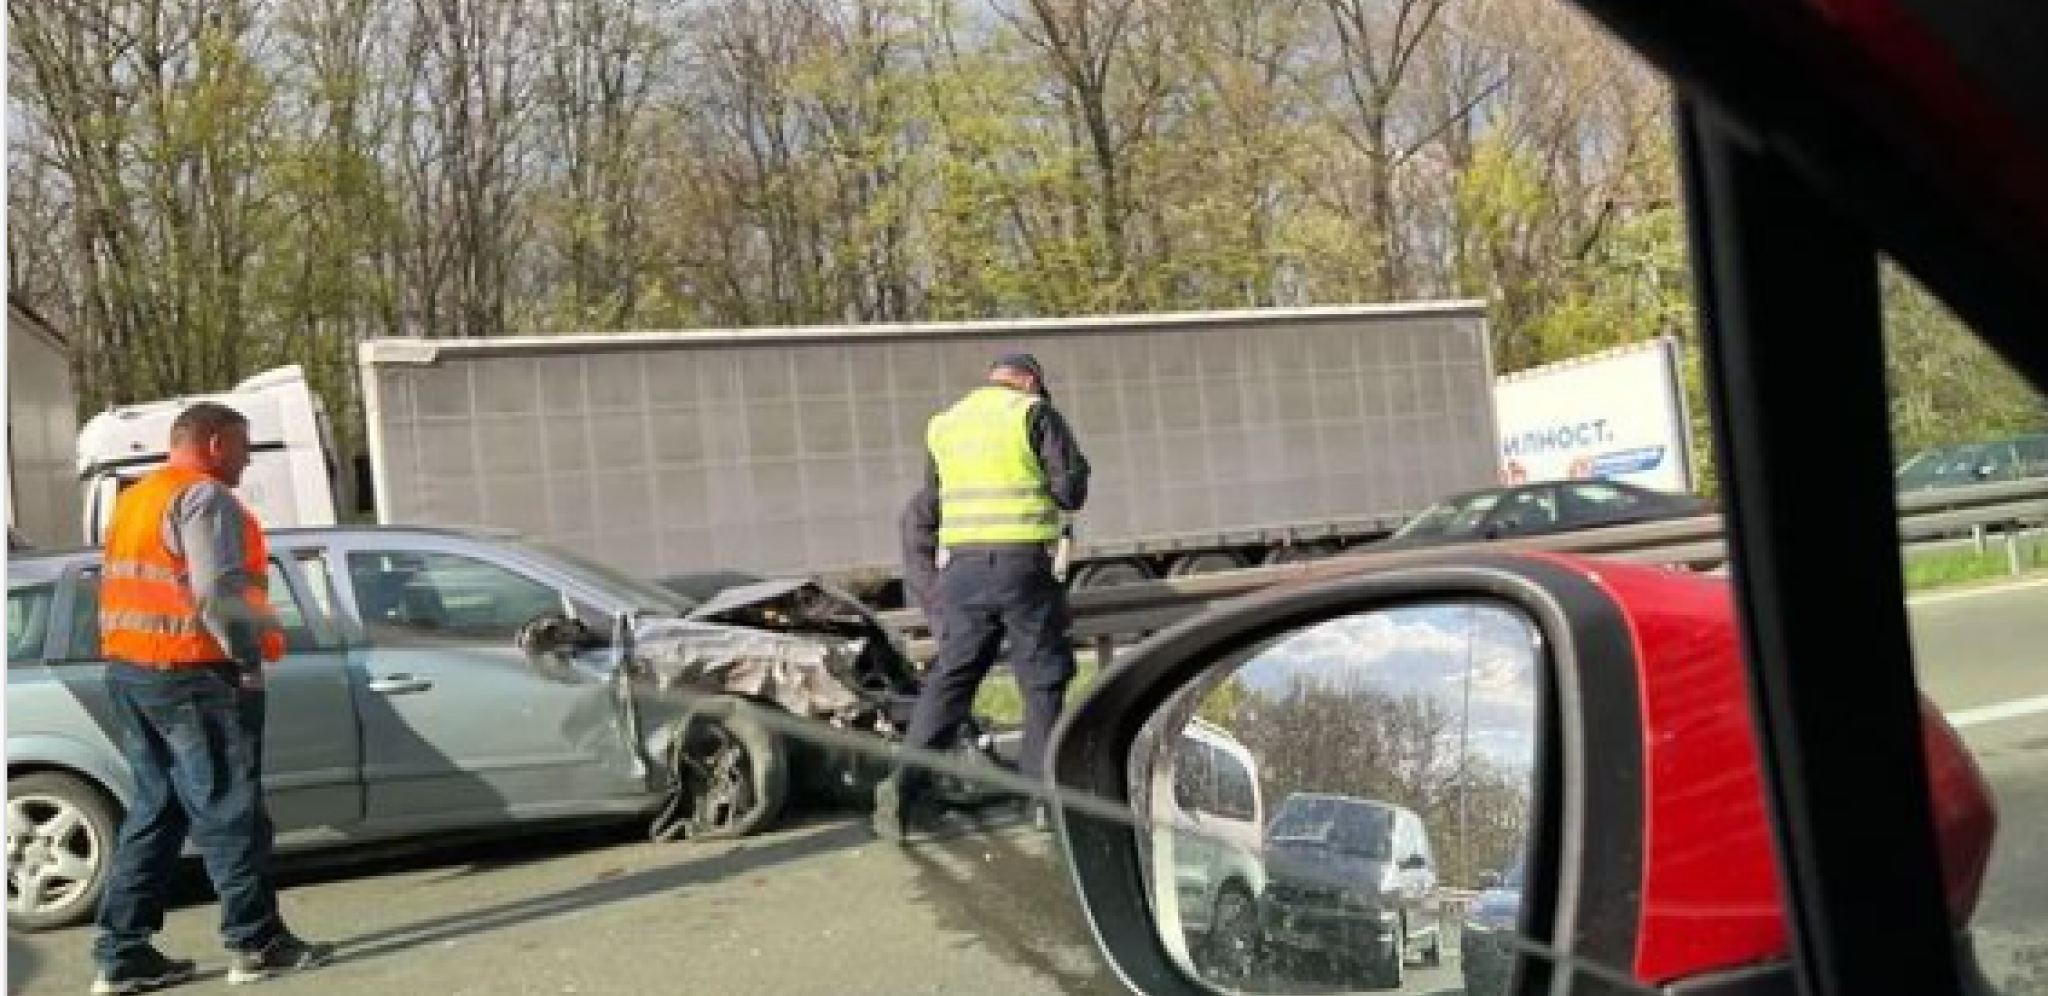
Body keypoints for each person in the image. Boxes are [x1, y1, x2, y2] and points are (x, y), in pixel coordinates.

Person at [90, 402, 334, 994]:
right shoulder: (204, 498)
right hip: (194, 674)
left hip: (133, 670)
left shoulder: (137, 498)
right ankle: (256, 943)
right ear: (217, 441)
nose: (249, 459)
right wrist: (249, 660)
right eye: (244, 446)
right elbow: (217, 590)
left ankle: (122, 954)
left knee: (158, 810)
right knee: (230, 809)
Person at [874, 354, 1090, 840]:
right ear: (1031, 382)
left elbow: (931, 500)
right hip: (1022, 568)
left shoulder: (944, 425)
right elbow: (1069, 491)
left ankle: (903, 789)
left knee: (951, 679)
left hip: (962, 574)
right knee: (1042, 679)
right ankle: (1041, 799)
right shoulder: (1034, 414)